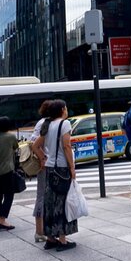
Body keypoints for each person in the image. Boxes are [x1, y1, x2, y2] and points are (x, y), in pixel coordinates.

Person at [32, 99, 78, 250]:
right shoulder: (64, 124)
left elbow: (35, 145)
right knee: (62, 202)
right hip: (62, 168)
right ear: (62, 110)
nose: (66, 110)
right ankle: (63, 240)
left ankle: (50, 238)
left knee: (50, 203)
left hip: (50, 169)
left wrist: (44, 159)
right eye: (65, 108)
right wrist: (72, 168)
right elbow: (66, 145)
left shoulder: (48, 124)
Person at [30, 100, 53, 242]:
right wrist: (43, 158)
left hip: (44, 164)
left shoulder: (41, 122)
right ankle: (39, 230)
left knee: (42, 195)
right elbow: (35, 144)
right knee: (43, 196)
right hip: (45, 165)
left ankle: (41, 229)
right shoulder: (46, 123)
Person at [0, 116, 19, 230]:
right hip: (7, 170)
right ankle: (2, 220)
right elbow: (16, 147)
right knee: (9, 195)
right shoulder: (10, 137)